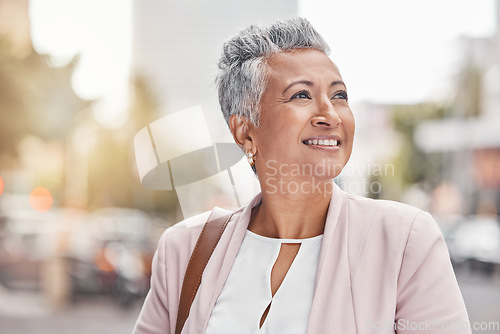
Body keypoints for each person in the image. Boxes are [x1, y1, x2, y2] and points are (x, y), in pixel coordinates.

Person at [134, 17, 471, 334]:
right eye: (301, 95)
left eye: (339, 95)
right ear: (245, 131)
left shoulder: (403, 240)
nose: (330, 114)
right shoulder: (184, 250)